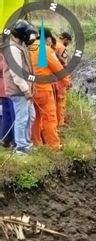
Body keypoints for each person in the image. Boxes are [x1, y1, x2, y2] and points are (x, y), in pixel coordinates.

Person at [28, 27, 69, 151]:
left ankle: (36, 143)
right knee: (49, 117)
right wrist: (66, 82)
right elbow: (58, 69)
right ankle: (54, 146)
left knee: (35, 117)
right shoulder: (46, 50)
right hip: (43, 88)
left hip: (29, 88)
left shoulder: (26, 48)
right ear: (47, 39)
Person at [1, 20, 37, 154]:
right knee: (22, 118)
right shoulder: (13, 48)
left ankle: (26, 142)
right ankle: (21, 146)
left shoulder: (19, 46)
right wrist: (26, 90)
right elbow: (17, 73)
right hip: (18, 90)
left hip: (23, 89)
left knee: (30, 116)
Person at [54, 31, 72, 127]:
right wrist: (68, 79)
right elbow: (64, 65)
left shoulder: (53, 45)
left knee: (55, 100)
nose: (68, 44)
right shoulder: (61, 47)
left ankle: (56, 122)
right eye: (68, 42)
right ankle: (60, 122)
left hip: (51, 77)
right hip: (60, 77)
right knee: (61, 100)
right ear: (65, 39)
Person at [0, 52, 15, 148]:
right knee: (13, 116)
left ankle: (5, 139)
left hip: (4, 89)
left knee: (6, 115)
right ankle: (13, 141)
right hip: (9, 88)